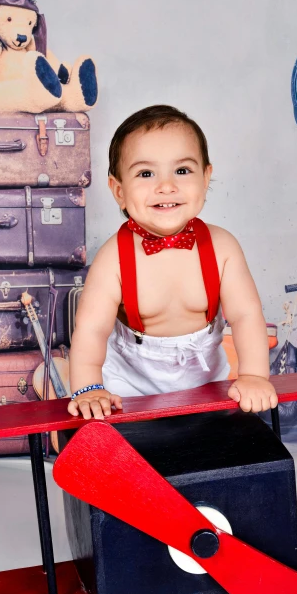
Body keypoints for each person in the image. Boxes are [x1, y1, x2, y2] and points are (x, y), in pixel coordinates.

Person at [68, 105, 278, 420]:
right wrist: (89, 387)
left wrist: (254, 375)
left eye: (182, 170)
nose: (166, 186)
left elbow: (247, 316)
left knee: (213, 448)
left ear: (206, 178)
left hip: (206, 382)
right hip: (128, 386)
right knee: (117, 443)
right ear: (119, 191)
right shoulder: (113, 257)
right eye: (146, 173)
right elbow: (91, 330)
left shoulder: (222, 248)